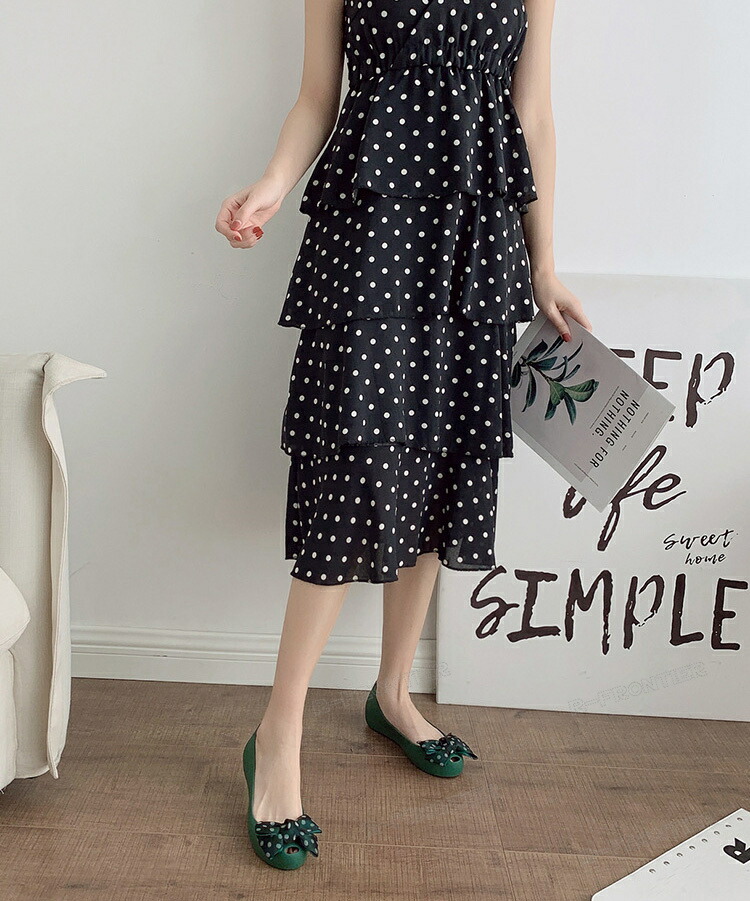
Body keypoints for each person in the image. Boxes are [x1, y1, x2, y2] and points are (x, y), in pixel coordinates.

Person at [215, 0, 592, 870]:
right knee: (356, 468)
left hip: (475, 231)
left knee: (445, 456)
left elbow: (532, 112)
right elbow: (318, 96)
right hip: (373, 223)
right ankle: (277, 732)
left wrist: (542, 262)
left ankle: (391, 691)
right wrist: (273, 182)